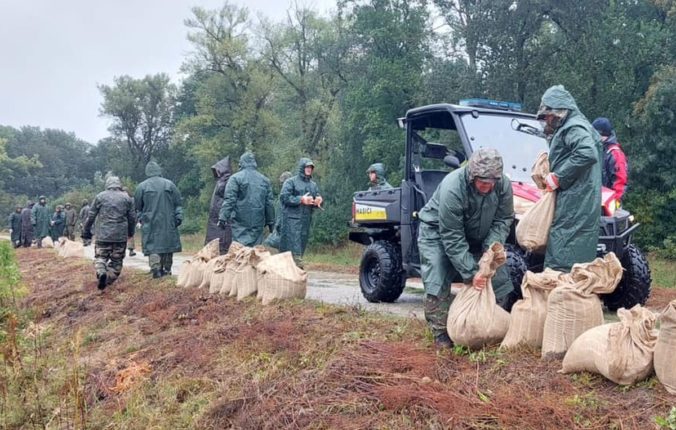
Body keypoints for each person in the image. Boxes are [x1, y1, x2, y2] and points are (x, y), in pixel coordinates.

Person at [417, 148, 515, 348]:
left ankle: (488, 326)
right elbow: (452, 236)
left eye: (491, 183)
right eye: (482, 183)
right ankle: (442, 334)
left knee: (499, 276)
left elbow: (503, 219)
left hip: (479, 234)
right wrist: (472, 272)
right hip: (437, 232)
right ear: (472, 176)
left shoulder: (503, 185)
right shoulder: (453, 187)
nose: (487, 188)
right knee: (437, 275)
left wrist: (490, 252)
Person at [536, 85, 602, 272]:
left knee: (563, 246)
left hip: (575, 199)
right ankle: (566, 291)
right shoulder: (575, 125)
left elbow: (587, 153)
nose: (547, 119)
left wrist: (558, 176)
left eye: (548, 115)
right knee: (573, 249)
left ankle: (559, 291)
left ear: (558, 111)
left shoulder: (573, 126)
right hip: (579, 196)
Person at [82, 176, 136, 290]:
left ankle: (101, 271)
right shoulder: (127, 198)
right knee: (117, 261)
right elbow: (132, 218)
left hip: (103, 235)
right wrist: (131, 232)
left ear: (107, 185)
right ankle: (108, 279)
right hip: (120, 236)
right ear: (119, 185)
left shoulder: (100, 196)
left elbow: (91, 216)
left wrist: (86, 231)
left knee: (100, 257)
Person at [134, 161, 183, 278]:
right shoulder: (170, 184)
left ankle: (155, 268)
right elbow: (178, 203)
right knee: (167, 245)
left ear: (147, 172)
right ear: (159, 170)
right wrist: (178, 217)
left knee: (153, 245)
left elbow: (137, 207)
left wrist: (141, 219)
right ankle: (167, 269)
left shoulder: (141, 187)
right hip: (168, 221)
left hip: (150, 222)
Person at [218, 152, 275, 247]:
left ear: (241, 163)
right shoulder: (265, 180)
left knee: (240, 250)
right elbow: (269, 204)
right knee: (255, 251)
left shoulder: (235, 178)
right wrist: (271, 222)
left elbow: (230, 200)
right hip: (258, 220)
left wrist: (223, 217)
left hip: (240, 221)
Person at [279, 158, 322, 266]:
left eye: (311, 167)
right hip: (291, 221)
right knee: (293, 249)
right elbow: (284, 197)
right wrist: (300, 199)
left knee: (301, 246)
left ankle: (296, 266)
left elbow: (316, 197)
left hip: (306, 220)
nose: (309, 169)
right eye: (307, 167)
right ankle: (296, 268)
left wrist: (319, 200)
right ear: (302, 167)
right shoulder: (291, 182)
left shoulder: (313, 185)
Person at [591, 117, 628, 204]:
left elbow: (620, 181)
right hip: (596, 201)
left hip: (609, 203)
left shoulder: (615, 153)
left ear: (601, 134)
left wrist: (614, 202)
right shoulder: (598, 150)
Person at [205, 156, 233, 254]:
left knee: (221, 240)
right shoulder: (221, 181)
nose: (216, 172)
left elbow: (227, 198)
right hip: (216, 214)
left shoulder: (227, 181)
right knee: (214, 241)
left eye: (217, 170)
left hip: (221, 214)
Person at [263, 171, 293, 249]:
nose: (281, 185)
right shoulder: (286, 196)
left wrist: (277, 226)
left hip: (283, 231)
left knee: (266, 244)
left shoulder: (287, 197)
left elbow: (282, 214)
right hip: (282, 230)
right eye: (281, 183)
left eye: (283, 183)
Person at [122, 187, 136, 256]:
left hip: (126, 219)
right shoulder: (131, 200)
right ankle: (129, 250)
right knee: (129, 235)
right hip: (125, 219)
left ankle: (130, 250)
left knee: (129, 235)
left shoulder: (130, 200)